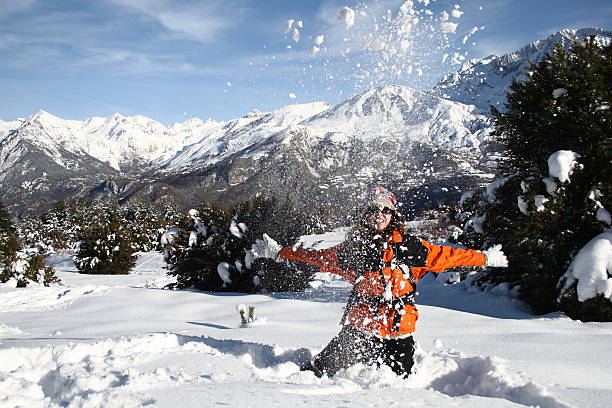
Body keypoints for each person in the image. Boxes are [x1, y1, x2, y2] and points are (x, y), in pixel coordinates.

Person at [255, 186, 508, 378]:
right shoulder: (353, 250)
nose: (379, 214)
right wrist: (281, 253)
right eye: (373, 210)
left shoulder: (411, 248)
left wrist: (485, 257)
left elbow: (448, 256)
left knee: (399, 388)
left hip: (399, 333)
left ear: (392, 214)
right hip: (360, 330)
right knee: (315, 374)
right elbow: (318, 258)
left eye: (385, 210)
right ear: (366, 215)